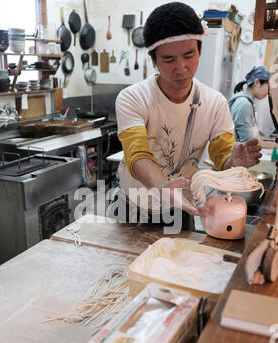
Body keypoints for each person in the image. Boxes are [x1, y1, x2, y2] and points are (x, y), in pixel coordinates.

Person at [108, 2, 262, 230]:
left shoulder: (215, 103)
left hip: (180, 209)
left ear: (200, 50)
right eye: (168, 60)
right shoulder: (133, 97)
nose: (181, 68)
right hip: (131, 206)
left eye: (189, 55)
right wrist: (161, 186)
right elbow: (137, 155)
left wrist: (234, 162)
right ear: (153, 60)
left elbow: (221, 157)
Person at [229, 65, 277, 148]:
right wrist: (274, 146)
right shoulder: (244, 104)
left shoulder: (248, 103)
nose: (269, 91)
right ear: (257, 82)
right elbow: (247, 141)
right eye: (268, 86)